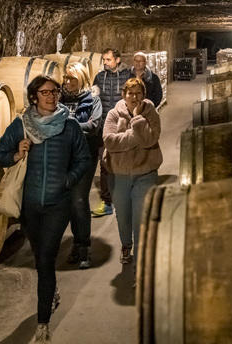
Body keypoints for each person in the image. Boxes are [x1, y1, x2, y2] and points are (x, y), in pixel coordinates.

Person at [0, 75, 91, 344]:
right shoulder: (22, 126)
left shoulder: (69, 126)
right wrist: (15, 154)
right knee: (39, 256)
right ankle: (51, 291)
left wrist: (68, 181)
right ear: (34, 97)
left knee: (46, 257)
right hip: (30, 206)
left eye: (55, 91)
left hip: (58, 205)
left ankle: (42, 326)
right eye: (45, 92)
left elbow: (84, 158)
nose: (51, 96)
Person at [102, 77, 162, 267]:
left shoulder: (151, 111)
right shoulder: (113, 114)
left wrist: (136, 119)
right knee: (123, 216)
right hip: (119, 175)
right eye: (130, 93)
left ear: (144, 95)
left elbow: (150, 140)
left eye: (138, 93)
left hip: (145, 172)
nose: (134, 97)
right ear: (123, 94)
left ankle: (141, 255)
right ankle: (126, 245)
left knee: (140, 216)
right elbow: (109, 142)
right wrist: (135, 135)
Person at [60, 62, 102, 269]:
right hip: (64, 156)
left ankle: (84, 246)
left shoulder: (93, 99)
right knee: (69, 202)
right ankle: (77, 244)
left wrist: (69, 123)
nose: (67, 82)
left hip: (85, 156)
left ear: (82, 79)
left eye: (72, 79)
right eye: (66, 78)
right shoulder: (59, 99)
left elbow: (93, 126)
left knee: (78, 199)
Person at [90, 48, 132, 217]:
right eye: (104, 60)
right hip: (104, 127)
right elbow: (94, 99)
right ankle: (107, 202)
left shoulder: (128, 76)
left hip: (123, 127)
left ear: (117, 59)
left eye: (108, 59)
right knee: (105, 164)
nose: (105, 63)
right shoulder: (100, 77)